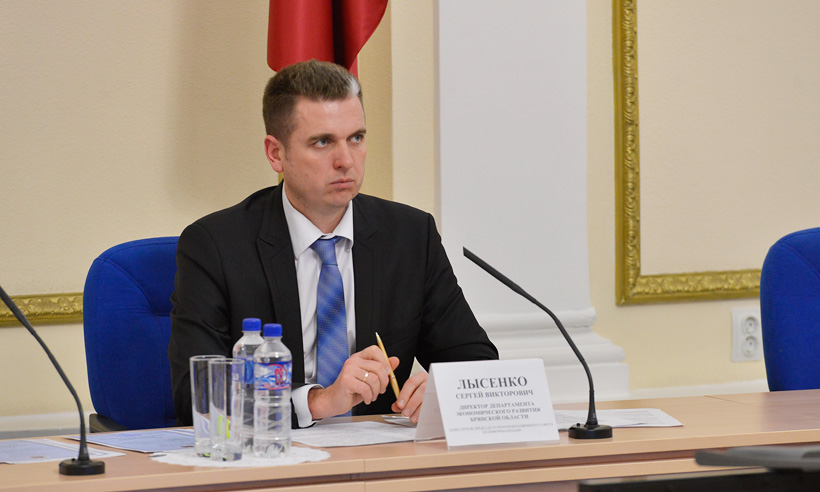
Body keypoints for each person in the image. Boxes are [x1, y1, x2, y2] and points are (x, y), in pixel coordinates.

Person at [168, 60, 497, 428]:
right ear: (276, 153)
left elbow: (476, 360)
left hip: (382, 453)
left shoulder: (409, 236)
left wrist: (445, 389)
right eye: (322, 142)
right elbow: (196, 394)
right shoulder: (215, 246)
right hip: (272, 451)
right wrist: (318, 401)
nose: (346, 161)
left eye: (356, 138)